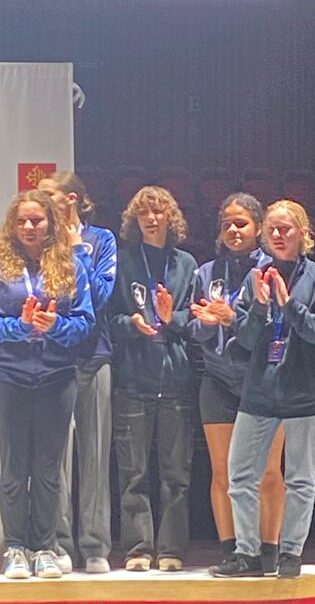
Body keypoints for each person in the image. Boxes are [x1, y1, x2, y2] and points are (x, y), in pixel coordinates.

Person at [210, 200, 315, 579]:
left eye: (287, 229)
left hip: (306, 393)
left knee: (300, 478)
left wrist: (289, 304)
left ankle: (290, 553)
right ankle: (248, 554)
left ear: (304, 235)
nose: (279, 236)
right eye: (273, 231)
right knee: (240, 475)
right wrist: (262, 309)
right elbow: (246, 341)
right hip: (261, 391)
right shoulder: (255, 278)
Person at [0, 190, 95, 579]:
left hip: (56, 379)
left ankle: (45, 547)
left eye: (37, 220)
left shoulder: (71, 265)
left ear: (51, 223)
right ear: (12, 224)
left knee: (46, 469)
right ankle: (15, 549)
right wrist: (21, 326)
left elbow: (85, 323)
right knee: (13, 467)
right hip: (7, 378)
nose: (29, 227)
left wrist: (55, 325)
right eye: (23, 220)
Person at [189, 193, 284, 574]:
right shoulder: (205, 273)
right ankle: (232, 550)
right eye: (227, 223)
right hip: (217, 379)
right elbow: (194, 326)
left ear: (258, 228)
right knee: (222, 472)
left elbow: (275, 326)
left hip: (261, 382)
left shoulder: (272, 271)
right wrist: (205, 323)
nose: (233, 229)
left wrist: (230, 318)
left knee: (267, 472)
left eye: (241, 223)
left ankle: (269, 549)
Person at [109, 186, 197, 572]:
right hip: (133, 379)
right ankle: (138, 548)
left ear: (170, 218)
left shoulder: (187, 265)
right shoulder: (123, 261)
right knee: (134, 474)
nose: (152, 217)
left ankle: (172, 550)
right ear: (134, 220)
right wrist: (132, 323)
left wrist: (169, 319)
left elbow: (197, 321)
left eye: (159, 211)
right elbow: (107, 320)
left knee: (176, 476)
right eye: (144, 212)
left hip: (176, 380)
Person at [37, 172, 117, 574]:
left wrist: (77, 250)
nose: (40, 202)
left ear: (70, 199)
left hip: (94, 356)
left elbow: (100, 296)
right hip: (52, 358)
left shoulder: (101, 240)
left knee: (95, 455)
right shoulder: (40, 244)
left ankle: (95, 545)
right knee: (56, 458)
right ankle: (58, 542)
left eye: (48, 196)